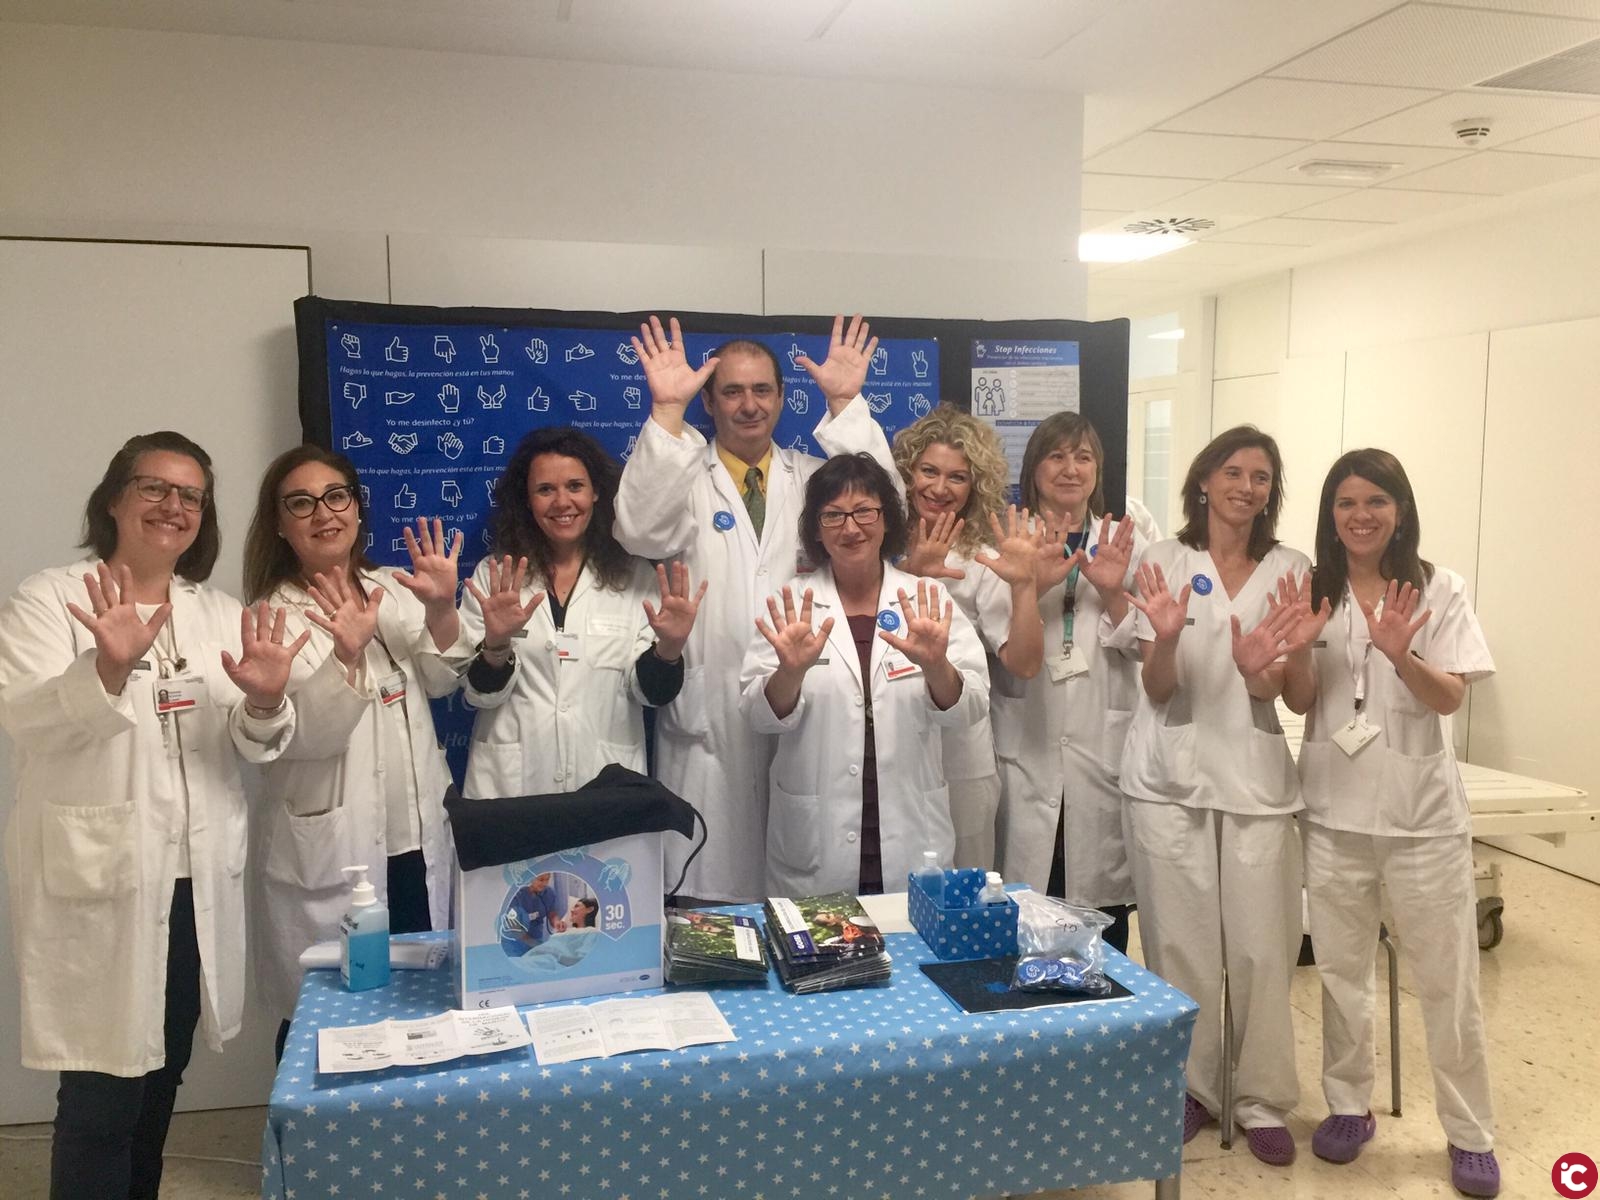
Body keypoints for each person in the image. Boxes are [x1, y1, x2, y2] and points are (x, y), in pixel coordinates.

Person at [0, 431, 306, 1200]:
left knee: (164, 1073)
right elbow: (24, 718)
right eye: (155, 488)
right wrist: (105, 666)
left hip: (192, 882)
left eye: (191, 495)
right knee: (103, 1092)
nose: (175, 506)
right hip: (103, 882)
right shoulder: (51, 599)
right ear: (114, 499)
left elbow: (253, 742)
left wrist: (267, 700)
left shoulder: (220, 613)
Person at [615, 315, 898, 903]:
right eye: (733, 392)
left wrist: (845, 405)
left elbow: (884, 510)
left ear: (782, 396)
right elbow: (638, 531)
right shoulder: (684, 480)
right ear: (709, 403)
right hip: (709, 723)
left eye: (762, 390)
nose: (749, 405)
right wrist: (667, 411)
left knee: (805, 902)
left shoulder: (813, 479)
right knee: (714, 906)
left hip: (806, 710)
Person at [1278, 449, 1500, 1197]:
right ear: (1330, 514)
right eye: (1345, 502)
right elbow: (1302, 700)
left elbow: (1449, 698)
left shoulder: (1439, 587)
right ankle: (1348, 1106)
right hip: (1333, 812)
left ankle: (1469, 1132)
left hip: (1421, 818)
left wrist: (1402, 655)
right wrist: (1299, 646)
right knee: (1342, 974)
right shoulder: (1317, 587)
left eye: (1376, 500)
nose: (1361, 515)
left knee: (1447, 981)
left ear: (1399, 510)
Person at [1119, 425, 1311, 1166]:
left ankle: (1261, 1098)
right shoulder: (1162, 561)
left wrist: (1263, 668)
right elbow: (1157, 686)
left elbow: (1290, 694)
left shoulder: (1291, 570)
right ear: (1203, 480)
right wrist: (1166, 638)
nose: (1246, 487)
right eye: (1232, 472)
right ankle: (1190, 1088)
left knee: (1263, 947)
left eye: (1261, 477)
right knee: (1180, 944)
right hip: (1168, 781)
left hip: (1256, 782)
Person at [240, 445, 470, 1044]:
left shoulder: (390, 588)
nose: (324, 513)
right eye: (301, 503)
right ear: (280, 525)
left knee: (422, 1007)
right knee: (326, 1021)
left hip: (415, 842)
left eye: (336, 496)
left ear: (357, 508)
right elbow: (303, 740)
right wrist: (345, 655)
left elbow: (444, 678)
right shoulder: (272, 617)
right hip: (337, 851)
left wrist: (440, 607)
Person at [739, 453, 989, 896]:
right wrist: (790, 674)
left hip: (911, 831)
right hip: (817, 836)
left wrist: (936, 666)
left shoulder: (927, 599)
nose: (851, 528)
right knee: (821, 938)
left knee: (908, 936)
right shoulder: (792, 604)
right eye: (833, 515)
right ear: (816, 529)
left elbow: (969, 709)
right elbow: (757, 716)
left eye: (864, 512)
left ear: (887, 519)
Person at [458, 426, 704, 797]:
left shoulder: (635, 577)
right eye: (545, 490)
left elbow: (650, 695)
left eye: (575, 486)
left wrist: (669, 649)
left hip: (605, 785)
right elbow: (479, 695)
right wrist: (496, 645)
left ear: (596, 492)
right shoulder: (495, 577)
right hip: (512, 789)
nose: (562, 502)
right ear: (526, 500)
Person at [988, 413, 1143, 952]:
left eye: (1083, 457)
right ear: (1034, 468)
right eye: (1056, 456)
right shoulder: (1009, 542)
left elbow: (1146, 645)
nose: (1070, 469)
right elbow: (1005, 649)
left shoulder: (1125, 542)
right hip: (1028, 747)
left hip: (1100, 754)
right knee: (1026, 915)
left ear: (1098, 470)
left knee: (1103, 925)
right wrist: (1029, 585)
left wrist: (1115, 590)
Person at [893, 404, 1044, 870]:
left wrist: (1024, 585)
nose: (940, 489)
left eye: (957, 477)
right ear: (907, 473)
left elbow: (1024, 663)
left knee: (964, 886)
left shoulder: (982, 557)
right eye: (929, 471)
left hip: (960, 753)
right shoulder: (877, 542)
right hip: (890, 741)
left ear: (974, 487)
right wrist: (912, 572)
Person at [501, 872, 563, 954]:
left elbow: (551, 912)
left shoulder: (548, 893)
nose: (545, 883)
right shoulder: (516, 896)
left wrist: (556, 922)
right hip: (514, 943)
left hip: (536, 938)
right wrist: (534, 944)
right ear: (530, 878)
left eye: (547, 879)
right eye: (541, 880)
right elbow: (514, 927)